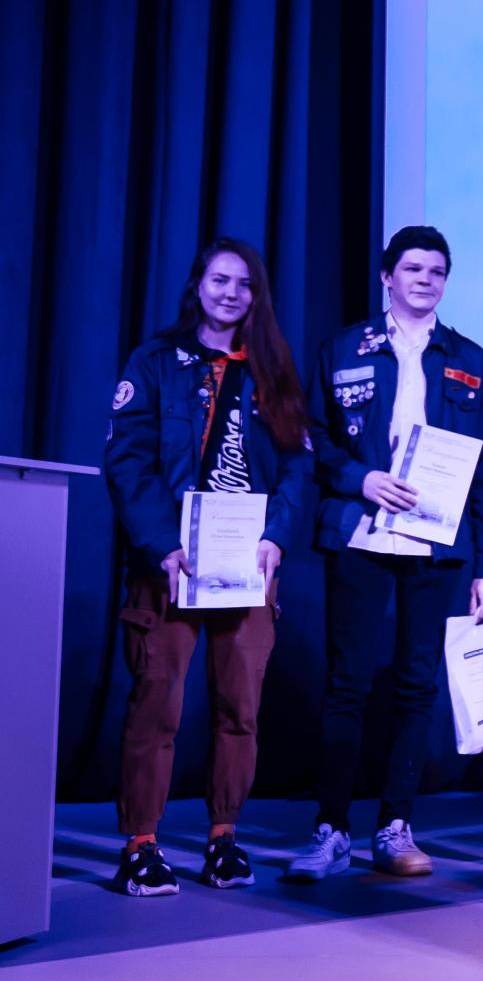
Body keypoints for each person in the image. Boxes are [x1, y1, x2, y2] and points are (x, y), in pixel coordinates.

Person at [286, 226, 483, 882]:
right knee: (348, 682)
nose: (425, 280)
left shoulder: (470, 359)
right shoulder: (343, 348)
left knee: (416, 683)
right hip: (361, 529)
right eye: (413, 268)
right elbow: (314, 438)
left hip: (438, 540)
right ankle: (330, 829)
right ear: (387, 276)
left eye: (437, 271)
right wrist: (361, 479)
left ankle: (395, 826)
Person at [102, 238, 315, 896]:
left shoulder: (272, 369)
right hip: (171, 561)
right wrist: (162, 543)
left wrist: (278, 537)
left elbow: (300, 465)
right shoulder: (156, 361)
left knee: (239, 708)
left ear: (257, 295)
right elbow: (128, 462)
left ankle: (224, 837)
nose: (231, 293)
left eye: (244, 284)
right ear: (198, 284)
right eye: (220, 280)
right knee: (157, 703)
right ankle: (141, 844)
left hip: (248, 562)